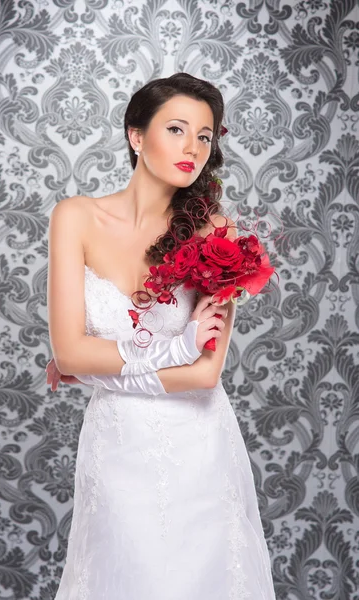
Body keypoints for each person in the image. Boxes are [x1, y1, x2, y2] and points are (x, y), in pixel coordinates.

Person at [46, 72, 276, 600]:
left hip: (199, 445)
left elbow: (204, 375)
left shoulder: (219, 236)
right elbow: (69, 349)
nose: (192, 147)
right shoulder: (75, 217)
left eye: (204, 135)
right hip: (116, 444)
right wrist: (171, 347)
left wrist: (96, 370)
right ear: (135, 136)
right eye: (176, 129)